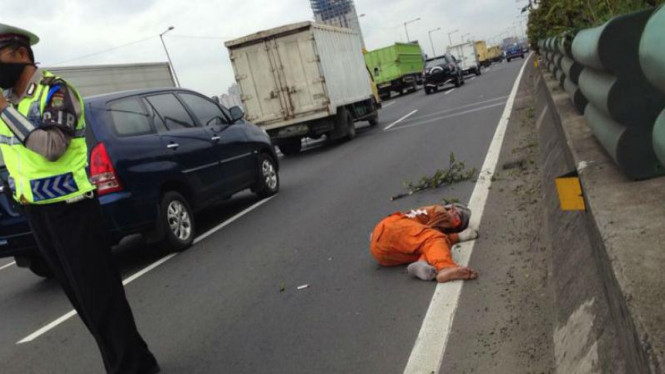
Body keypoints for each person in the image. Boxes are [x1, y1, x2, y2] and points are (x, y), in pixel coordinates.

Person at [0, 24, 160, 374]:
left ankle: (132, 368)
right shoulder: (12, 102)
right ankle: (136, 363)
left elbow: (53, 148)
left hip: (73, 212)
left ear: (20, 54)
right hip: (38, 215)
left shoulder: (56, 91)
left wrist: (4, 112)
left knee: (101, 298)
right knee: (83, 302)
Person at [369, 203, 479, 282]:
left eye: (458, 221)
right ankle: (446, 268)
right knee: (434, 239)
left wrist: (456, 236)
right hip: (392, 229)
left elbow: (431, 240)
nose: (454, 218)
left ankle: (421, 265)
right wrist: (459, 236)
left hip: (382, 254)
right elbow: (434, 236)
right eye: (455, 213)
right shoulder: (439, 210)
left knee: (431, 247)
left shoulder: (432, 224)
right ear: (449, 208)